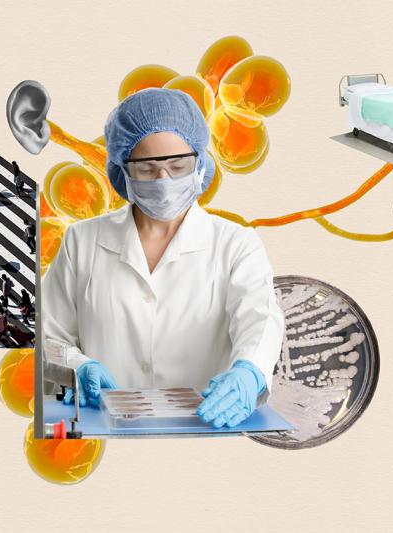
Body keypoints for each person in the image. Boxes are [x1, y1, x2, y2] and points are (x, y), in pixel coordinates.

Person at [40, 88, 285, 429]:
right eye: (147, 168)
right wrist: (75, 367)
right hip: (106, 430)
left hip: (207, 430)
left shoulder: (236, 243)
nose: (164, 181)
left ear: (200, 165)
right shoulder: (83, 241)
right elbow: (47, 335)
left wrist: (249, 372)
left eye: (178, 166)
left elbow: (260, 322)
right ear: (121, 170)